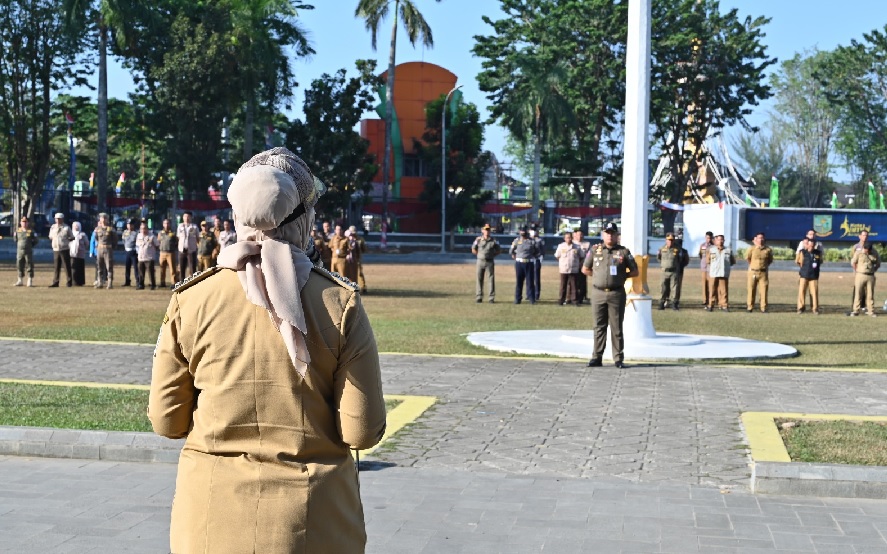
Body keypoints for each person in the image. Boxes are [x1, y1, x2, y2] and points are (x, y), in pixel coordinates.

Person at [149, 147, 386, 553]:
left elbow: (167, 421)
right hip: (313, 523)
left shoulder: (191, 300)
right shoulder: (338, 303)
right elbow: (361, 431)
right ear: (304, 218)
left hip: (209, 521)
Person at [581, 222, 639, 368]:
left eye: (613, 233)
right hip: (598, 293)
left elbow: (635, 271)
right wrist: (597, 277)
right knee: (599, 326)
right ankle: (596, 357)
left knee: (616, 327)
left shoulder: (623, 252)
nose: (610, 236)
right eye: (607, 233)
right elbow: (585, 269)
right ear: (603, 235)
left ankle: (618, 358)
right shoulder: (595, 250)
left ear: (617, 235)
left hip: (616, 293)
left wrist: (621, 276)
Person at [657, 233, 689, 310]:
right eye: (669, 240)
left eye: (672, 240)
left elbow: (683, 260)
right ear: (666, 240)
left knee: (675, 288)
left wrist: (677, 266)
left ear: (674, 240)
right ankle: (662, 302)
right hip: (664, 271)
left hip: (674, 271)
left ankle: (674, 303)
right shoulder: (661, 249)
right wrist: (664, 265)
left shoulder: (678, 249)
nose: (670, 241)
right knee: (663, 288)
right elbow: (659, 258)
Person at [850, 241, 880, 317]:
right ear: (864, 248)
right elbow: (853, 262)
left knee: (870, 294)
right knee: (858, 293)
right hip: (860, 275)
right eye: (866, 249)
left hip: (870, 276)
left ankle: (871, 311)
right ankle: (856, 310)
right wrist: (856, 270)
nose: (867, 251)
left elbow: (878, 263)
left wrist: (874, 270)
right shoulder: (858, 252)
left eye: (869, 250)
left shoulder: (874, 252)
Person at [472, 224, 501, 303]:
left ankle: (491, 298)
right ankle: (479, 296)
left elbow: (498, 250)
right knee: (479, 279)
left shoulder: (494, 240)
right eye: (485, 229)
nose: (487, 231)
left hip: (489, 261)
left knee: (491, 279)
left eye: (488, 229)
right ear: (482, 230)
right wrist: (479, 255)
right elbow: (473, 249)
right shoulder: (478, 240)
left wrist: (492, 255)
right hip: (480, 261)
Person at [746, 232, 774, 313]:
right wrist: (754, 266)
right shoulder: (751, 249)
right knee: (751, 289)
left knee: (764, 290)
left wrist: (763, 267)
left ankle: (763, 307)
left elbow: (770, 260)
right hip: (753, 272)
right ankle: (750, 307)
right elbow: (748, 259)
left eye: (762, 238)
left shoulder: (768, 250)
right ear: (756, 239)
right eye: (759, 238)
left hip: (763, 273)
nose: (760, 239)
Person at [707, 234, 736, 312]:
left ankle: (724, 305)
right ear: (715, 241)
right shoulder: (711, 250)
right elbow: (708, 261)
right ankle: (711, 305)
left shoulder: (728, 250)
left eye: (722, 239)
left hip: (723, 273)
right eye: (719, 239)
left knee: (724, 291)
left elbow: (732, 261)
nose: (721, 241)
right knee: (712, 290)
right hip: (713, 273)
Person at [509, 227, 538, 304]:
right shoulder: (516, 241)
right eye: (521, 231)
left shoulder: (532, 241)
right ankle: (518, 299)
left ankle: (532, 299)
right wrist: (514, 256)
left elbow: (537, 251)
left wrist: (532, 256)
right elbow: (511, 251)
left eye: (524, 231)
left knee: (530, 282)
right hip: (519, 263)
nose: (523, 233)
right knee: (519, 281)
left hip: (529, 263)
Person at [554, 230, 582, 306]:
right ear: (564, 238)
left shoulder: (577, 247)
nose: (568, 239)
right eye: (567, 238)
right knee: (563, 286)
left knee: (574, 286)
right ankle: (561, 300)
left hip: (573, 269)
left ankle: (574, 301)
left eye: (570, 238)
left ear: (572, 238)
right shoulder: (561, 246)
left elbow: (582, 256)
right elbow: (557, 256)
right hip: (564, 269)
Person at [796, 237, 823, 314]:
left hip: (814, 276)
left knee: (814, 292)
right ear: (807, 245)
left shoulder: (818, 253)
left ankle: (814, 308)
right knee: (801, 292)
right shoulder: (802, 252)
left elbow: (820, 261)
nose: (811, 247)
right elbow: (799, 262)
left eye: (812, 245)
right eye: (809, 245)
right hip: (804, 275)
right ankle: (800, 308)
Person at [48, 213, 74, 287]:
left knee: (66, 266)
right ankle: (55, 282)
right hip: (56, 249)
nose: (58, 220)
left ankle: (69, 281)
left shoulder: (66, 227)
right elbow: (50, 236)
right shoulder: (53, 227)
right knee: (56, 267)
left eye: (59, 219)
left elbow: (72, 237)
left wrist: (66, 240)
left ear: (62, 219)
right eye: (56, 219)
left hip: (64, 249)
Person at [14, 216, 39, 287]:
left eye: (25, 222)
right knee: (19, 265)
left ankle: (30, 280)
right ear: (20, 223)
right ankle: (20, 280)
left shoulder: (31, 231)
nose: (24, 223)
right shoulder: (18, 231)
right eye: (23, 222)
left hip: (28, 251)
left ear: (27, 223)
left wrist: (30, 245)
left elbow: (36, 240)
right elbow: (15, 240)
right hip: (20, 251)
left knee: (29, 265)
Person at [94, 213, 117, 289]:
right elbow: (96, 238)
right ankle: (100, 282)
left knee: (109, 266)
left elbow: (115, 240)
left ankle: (109, 283)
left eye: (105, 218)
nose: (103, 220)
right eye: (101, 218)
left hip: (108, 249)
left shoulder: (111, 229)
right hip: (100, 249)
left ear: (107, 219)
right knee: (99, 266)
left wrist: (111, 247)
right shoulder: (97, 229)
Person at [176, 211, 199, 281]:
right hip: (182, 249)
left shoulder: (194, 227)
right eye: (185, 216)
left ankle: (193, 282)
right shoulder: (180, 226)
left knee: (192, 267)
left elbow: (198, 238)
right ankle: (181, 282)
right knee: (182, 267)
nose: (186, 218)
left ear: (191, 218)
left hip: (191, 250)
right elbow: (178, 237)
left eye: (188, 216)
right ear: (183, 218)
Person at [136, 221, 158, 290]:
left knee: (150, 272)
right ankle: (141, 285)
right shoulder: (139, 235)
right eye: (142, 229)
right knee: (141, 272)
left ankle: (153, 285)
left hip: (149, 257)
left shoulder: (152, 236)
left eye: (145, 228)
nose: (143, 230)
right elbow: (137, 245)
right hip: (141, 257)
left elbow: (157, 245)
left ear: (147, 229)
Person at [157, 218, 177, 289]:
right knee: (162, 268)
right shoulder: (160, 233)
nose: (166, 225)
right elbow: (158, 241)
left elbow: (176, 242)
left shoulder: (173, 233)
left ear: (170, 224)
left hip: (170, 253)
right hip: (162, 253)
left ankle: (174, 283)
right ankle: (162, 282)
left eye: (168, 223)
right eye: (165, 223)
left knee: (172, 269)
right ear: (163, 224)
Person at [572, 229, 590, 304]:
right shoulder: (572, 243)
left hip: (583, 266)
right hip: (574, 266)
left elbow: (589, 255)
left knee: (583, 282)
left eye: (581, 234)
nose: (580, 236)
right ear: (575, 235)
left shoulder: (587, 244)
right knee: (573, 282)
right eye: (578, 234)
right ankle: (573, 297)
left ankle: (583, 297)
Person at [349, 225, 368, 294]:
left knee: (359, 273)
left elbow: (364, 249)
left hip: (357, 259)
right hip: (349, 260)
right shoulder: (347, 239)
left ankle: (363, 287)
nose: (353, 234)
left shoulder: (360, 239)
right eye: (351, 232)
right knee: (350, 273)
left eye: (354, 232)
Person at [122, 219, 141, 287]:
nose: (129, 226)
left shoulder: (136, 233)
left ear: (133, 225)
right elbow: (124, 240)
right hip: (127, 251)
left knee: (136, 267)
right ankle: (127, 281)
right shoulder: (125, 232)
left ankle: (138, 281)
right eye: (128, 224)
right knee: (127, 267)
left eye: (131, 225)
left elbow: (138, 243)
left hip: (134, 251)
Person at [69, 221, 89, 286]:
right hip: (72, 254)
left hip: (80, 254)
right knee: (73, 268)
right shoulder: (70, 234)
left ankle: (80, 282)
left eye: (77, 226)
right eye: (75, 226)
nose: (76, 227)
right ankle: (73, 281)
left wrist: (83, 249)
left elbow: (87, 243)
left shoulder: (82, 234)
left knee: (80, 268)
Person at [698, 231, 714, 306]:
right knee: (704, 284)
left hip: (711, 268)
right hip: (704, 268)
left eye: (710, 238)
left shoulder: (714, 246)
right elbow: (700, 255)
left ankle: (712, 299)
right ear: (705, 238)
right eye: (707, 238)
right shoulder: (702, 246)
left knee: (711, 285)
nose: (709, 239)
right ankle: (705, 300)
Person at [529, 226, 544, 301]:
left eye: (534, 231)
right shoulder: (527, 240)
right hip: (529, 260)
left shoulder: (540, 240)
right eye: (532, 230)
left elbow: (542, 251)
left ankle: (537, 294)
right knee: (529, 278)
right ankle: (529, 294)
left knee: (536, 278)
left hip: (537, 260)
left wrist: (540, 259)